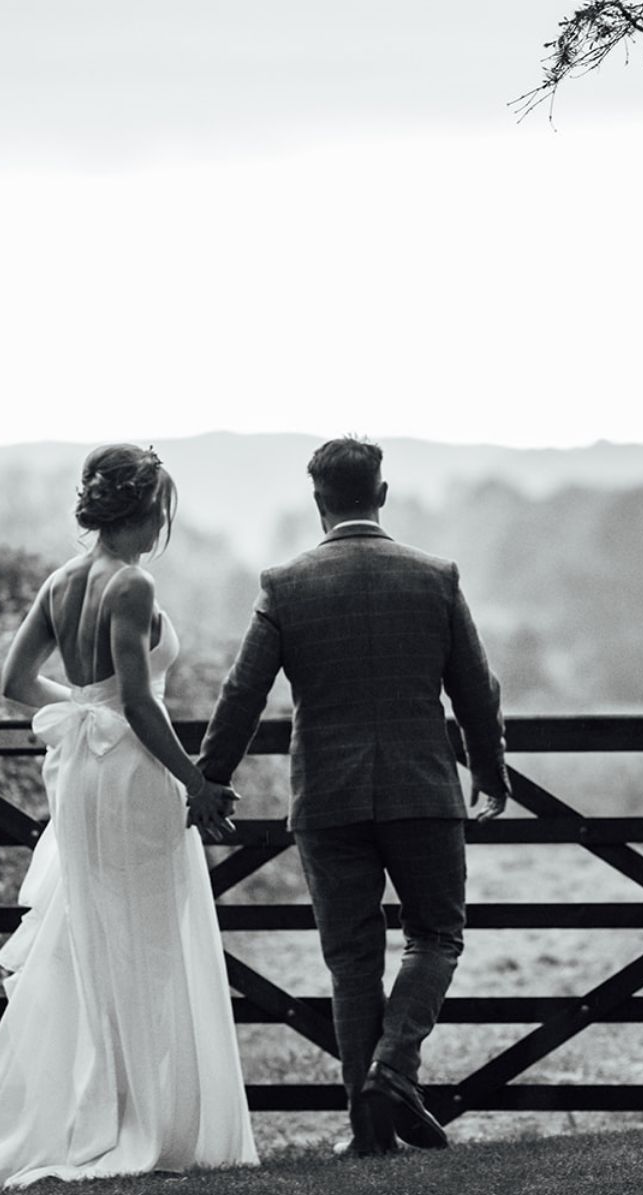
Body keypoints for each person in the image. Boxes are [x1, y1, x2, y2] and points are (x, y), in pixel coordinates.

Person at [0, 444, 257, 1187]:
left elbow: (15, 681)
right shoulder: (131, 585)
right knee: (147, 940)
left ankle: (105, 1107)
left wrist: (79, 708)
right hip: (131, 775)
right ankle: (137, 1119)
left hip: (82, 775)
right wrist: (194, 780)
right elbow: (135, 700)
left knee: (99, 936)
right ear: (150, 510)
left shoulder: (61, 582)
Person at [197, 435, 508, 1157]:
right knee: (435, 935)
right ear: (383, 493)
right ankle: (394, 1069)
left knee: (351, 960)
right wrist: (489, 775)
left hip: (328, 796)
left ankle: (368, 1131)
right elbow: (477, 689)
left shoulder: (285, 583)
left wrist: (212, 777)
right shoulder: (436, 577)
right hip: (422, 788)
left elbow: (243, 691)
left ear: (318, 502)